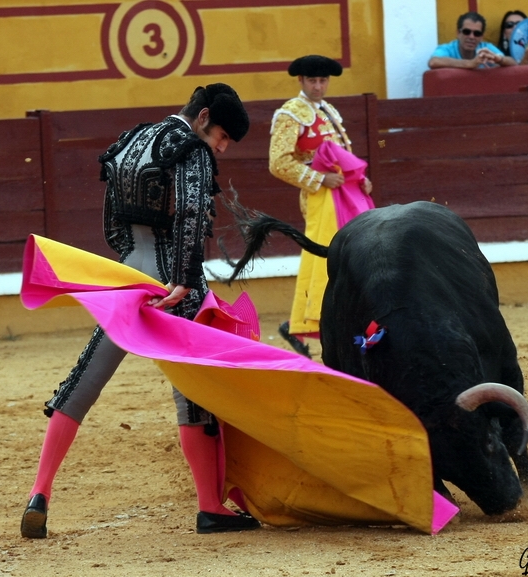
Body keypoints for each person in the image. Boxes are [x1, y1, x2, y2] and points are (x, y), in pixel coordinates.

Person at [20, 83, 261, 538]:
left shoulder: (131, 140)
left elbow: (112, 222)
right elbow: (192, 214)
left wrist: (130, 266)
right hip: (174, 283)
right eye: (223, 137)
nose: (222, 148)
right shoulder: (191, 147)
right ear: (204, 116)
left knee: (84, 379)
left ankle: (40, 492)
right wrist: (184, 279)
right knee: (196, 393)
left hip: (128, 278)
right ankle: (210, 506)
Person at [268, 55, 373, 357]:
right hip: (320, 199)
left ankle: (313, 321)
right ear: (300, 81)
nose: (318, 86)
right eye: (312, 80)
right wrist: (318, 178)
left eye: (323, 80)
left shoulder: (329, 111)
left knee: (350, 254)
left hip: (344, 193)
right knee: (325, 258)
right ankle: (303, 321)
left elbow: (344, 156)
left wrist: (360, 180)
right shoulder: (291, 113)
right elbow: (278, 163)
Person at [428, 12, 517, 69]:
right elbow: (433, 62)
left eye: (477, 33)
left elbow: (513, 63)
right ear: (458, 33)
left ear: (482, 37)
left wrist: (499, 59)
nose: (471, 37)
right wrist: (469, 64)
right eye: (467, 32)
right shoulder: (448, 48)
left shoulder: (486, 47)